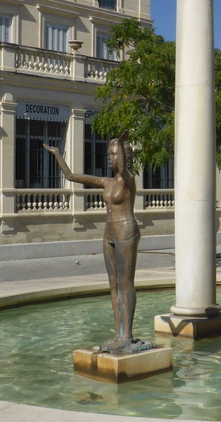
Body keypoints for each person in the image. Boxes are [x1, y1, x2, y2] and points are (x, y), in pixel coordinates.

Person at [44, 136, 147, 354]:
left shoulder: (128, 181)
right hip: (109, 233)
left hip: (126, 231)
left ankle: (127, 335)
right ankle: (118, 334)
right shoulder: (106, 182)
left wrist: (120, 142)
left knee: (126, 283)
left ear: (124, 157)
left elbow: (125, 170)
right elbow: (71, 176)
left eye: (113, 154)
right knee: (113, 284)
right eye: (108, 154)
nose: (109, 158)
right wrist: (58, 155)